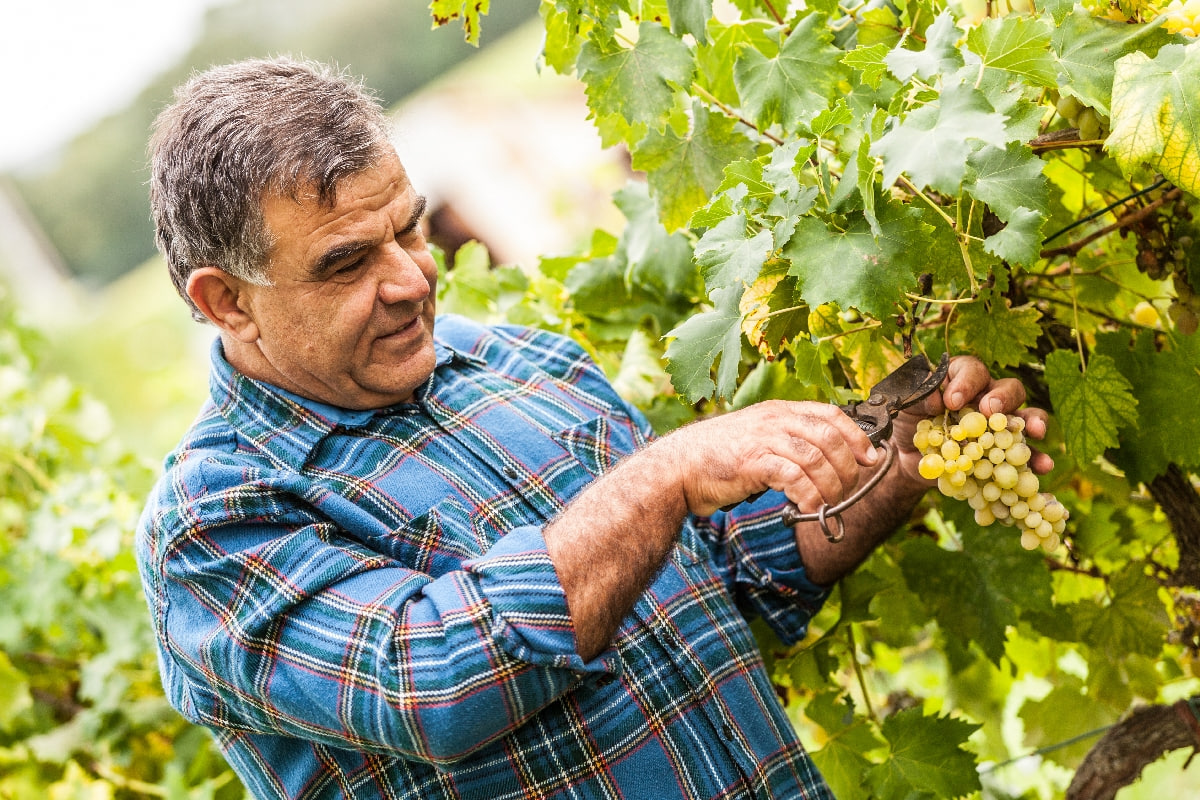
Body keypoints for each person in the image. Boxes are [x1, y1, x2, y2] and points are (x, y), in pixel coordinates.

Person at [137, 56, 1050, 800]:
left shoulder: (522, 364)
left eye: (409, 230)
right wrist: (666, 474)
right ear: (227, 302)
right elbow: (437, 681)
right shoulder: (216, 519)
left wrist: (894, 465)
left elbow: (723, 581)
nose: (414, 278)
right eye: (346, 264)